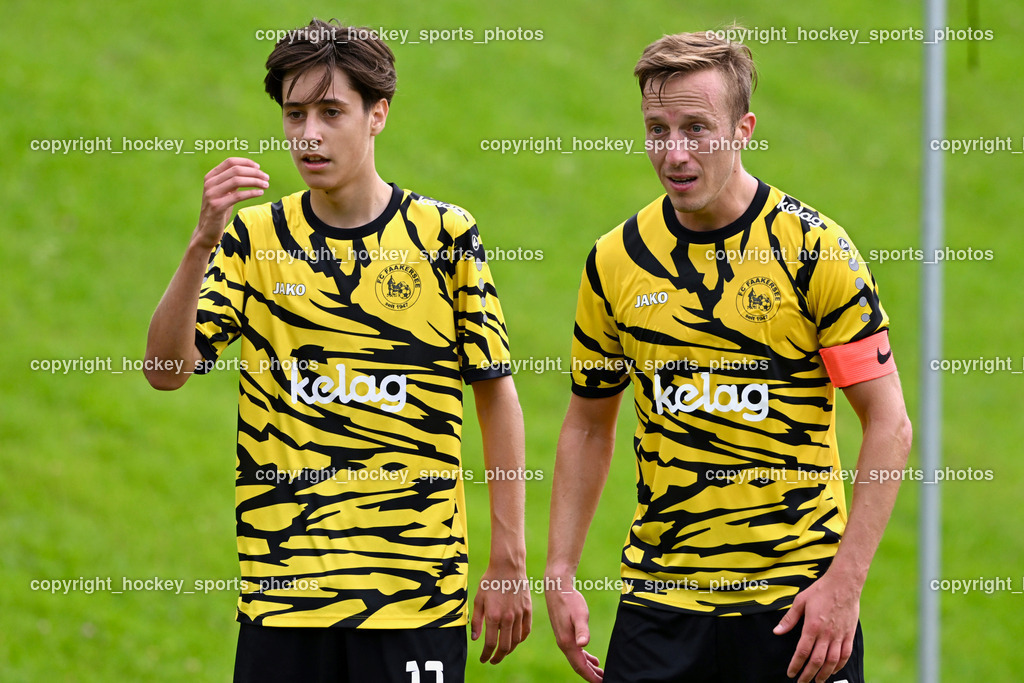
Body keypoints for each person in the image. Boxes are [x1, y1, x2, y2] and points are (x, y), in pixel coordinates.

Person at [144, 19, 530, 683]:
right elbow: (164, 372)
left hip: (414, 599)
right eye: (294, 114)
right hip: (285, 599)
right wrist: (201, 243)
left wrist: (509, 558)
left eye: (330, 112)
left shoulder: (445, 235)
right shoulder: (257, 237)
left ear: (378, 114)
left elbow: (496, 396)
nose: (308, 135)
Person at [545, 29, 912, 683]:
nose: (675, 153)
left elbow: (889, 423)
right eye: (658, 129)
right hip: (660, 609)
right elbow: (586, 422)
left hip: (795, 611)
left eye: (696, 128)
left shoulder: (814, 250)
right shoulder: (615, 261)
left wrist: (844, 585)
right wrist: (561, 567)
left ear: (743, 129)